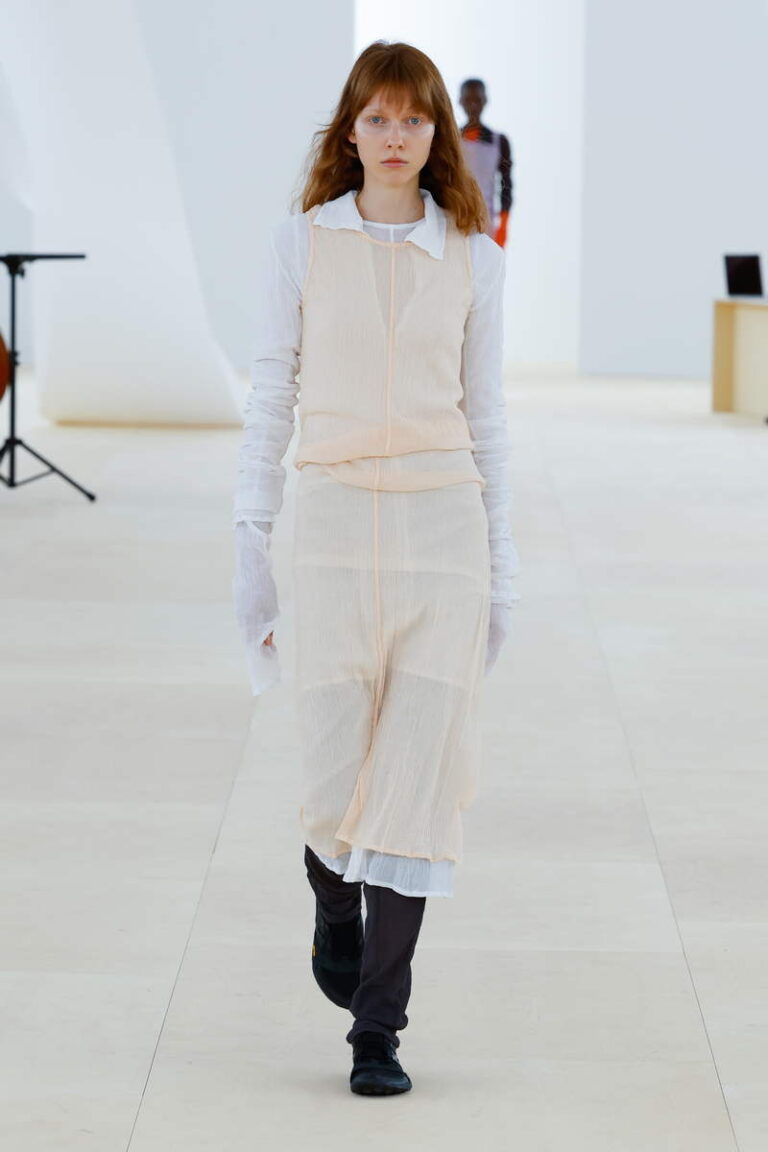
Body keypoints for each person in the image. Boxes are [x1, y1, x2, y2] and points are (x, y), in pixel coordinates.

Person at [232, 40, 520, 1096]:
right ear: (349, 131)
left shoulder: (474, 257)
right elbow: (272, 394)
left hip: (444, 530)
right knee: (330, 773)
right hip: (334, 526)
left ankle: (377, 1029)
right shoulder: (301, 244)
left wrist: (504, 566)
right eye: (378, 117)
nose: (396, 136)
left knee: (418, 780)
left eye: (414, 118)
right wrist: (250, 543)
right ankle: (330, 892)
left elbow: (488, 417)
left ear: (437, 132)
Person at [459, 78, 513, 248]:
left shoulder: (499, 142)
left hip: (487, 222)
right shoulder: (452, 140)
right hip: (455, 219)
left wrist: (503, 224)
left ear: (485, 101)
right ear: (461, 101)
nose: (473, 105)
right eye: (468, 100)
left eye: (477, 100)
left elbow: (506, 185)